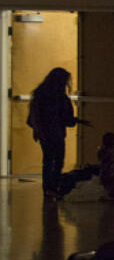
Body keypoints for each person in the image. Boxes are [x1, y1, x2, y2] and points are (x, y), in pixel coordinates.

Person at [26, 67, 88, 200]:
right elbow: (67, 118)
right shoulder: (60, 97)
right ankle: (52, 188)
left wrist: (38, 131)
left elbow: (34, 117)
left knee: (49, 161)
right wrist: (76, 120)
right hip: (56, 133)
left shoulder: (40, 94)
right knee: (57, 161)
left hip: (46, 134)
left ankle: (49, 189)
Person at [97, 132, 114, 200]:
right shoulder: (113, 151)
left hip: (105, 172)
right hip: (112, 172)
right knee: (112, 185)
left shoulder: (103, 151)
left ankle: (110, 195)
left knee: (108, 185)